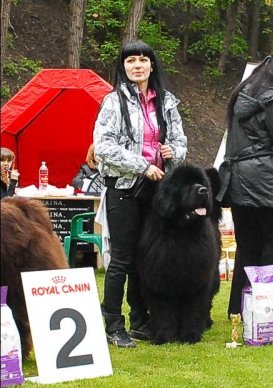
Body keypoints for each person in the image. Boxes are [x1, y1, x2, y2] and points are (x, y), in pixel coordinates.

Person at [93, 40, 187, 348]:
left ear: (152, 65)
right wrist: (141, 165)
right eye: (130, 60)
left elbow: (180, 141)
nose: (137, 65)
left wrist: (175, 152)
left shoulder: (166, 101)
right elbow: (104, 147)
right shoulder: (112, 102)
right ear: (123, 67)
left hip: (157, 189)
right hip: (124, 188)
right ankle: (113, 324)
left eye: (143, 60)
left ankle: (140, 320)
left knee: (146, 257)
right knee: (122, 258)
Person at [216, 52, 273, 318]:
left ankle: (239, 310)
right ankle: (270, 312)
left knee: (248, 249)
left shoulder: (241, 98)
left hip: (240, 184)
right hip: (271, 184)